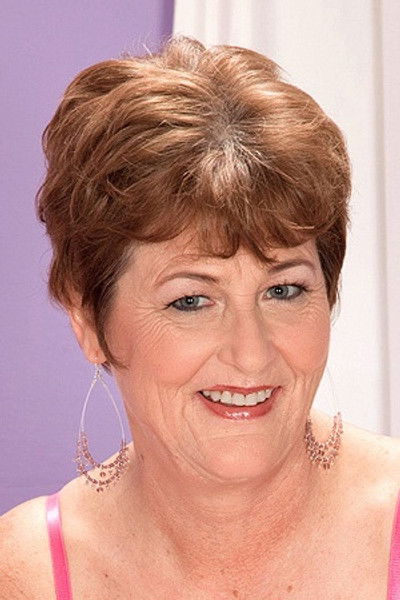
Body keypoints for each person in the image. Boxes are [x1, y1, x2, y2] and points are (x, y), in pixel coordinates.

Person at [1, 34, 399, 599]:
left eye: (284, 290)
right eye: (191, 300)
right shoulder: (23, 575)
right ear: (88, 318)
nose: (251, 354)